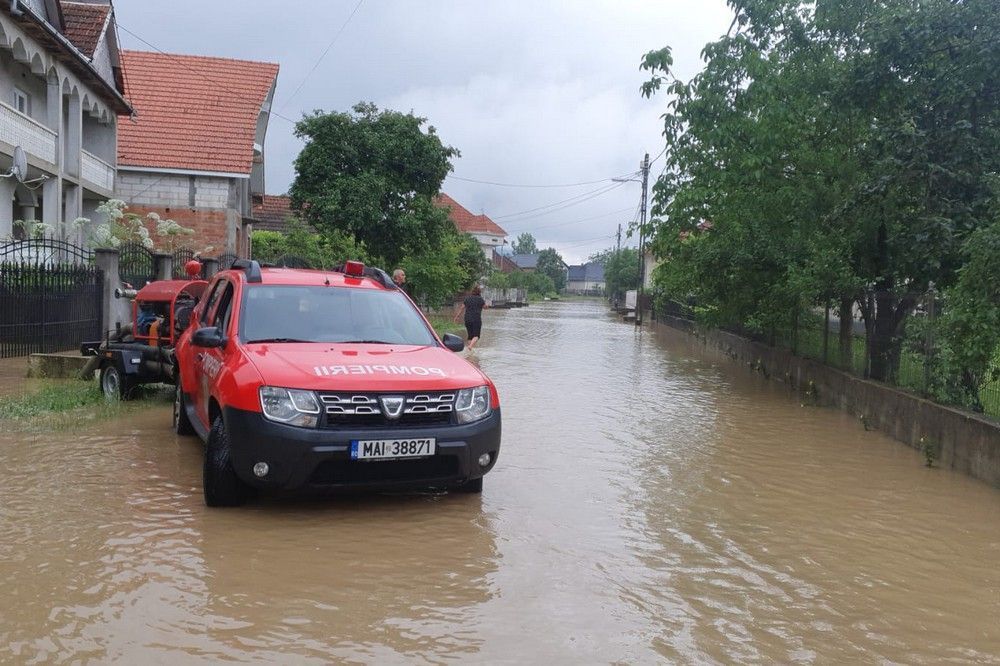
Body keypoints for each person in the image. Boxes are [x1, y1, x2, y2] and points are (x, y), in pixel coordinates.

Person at [453, 285, 488, 349]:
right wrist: (487, 305)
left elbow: (462, 308)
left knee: (470, 336)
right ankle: (470, 346)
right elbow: (485, 307)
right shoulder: (480, 299)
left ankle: (470, 352)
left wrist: (457, 316)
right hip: (476, 319)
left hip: (467, 319)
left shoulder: (467, 298)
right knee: (476, 336)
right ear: (479, 292)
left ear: (472, 291)